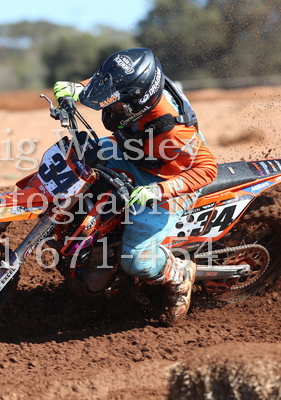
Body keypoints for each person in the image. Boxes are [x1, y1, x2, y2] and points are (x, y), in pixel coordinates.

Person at [53, 47, 218, 324]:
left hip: (170, 179)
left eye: (117, 107)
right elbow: (110, 84)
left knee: (136, 259)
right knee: (72, 161)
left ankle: (179, 274)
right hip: (134, 154)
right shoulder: (136, 85)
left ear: (140, 102)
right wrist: (79, 88)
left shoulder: (174, 131)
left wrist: (159, 191)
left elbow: (207, 169)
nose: (110, 109)